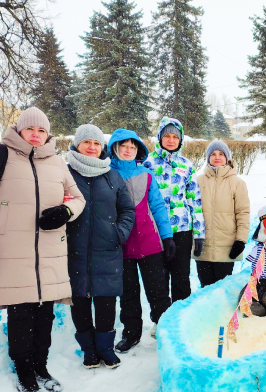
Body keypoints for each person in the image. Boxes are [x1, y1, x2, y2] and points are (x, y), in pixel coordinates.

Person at [0, 107, 86, 392]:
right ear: (18, 130)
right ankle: (24, 373)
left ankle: (40, 366)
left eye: (41, 130)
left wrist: (65, 212)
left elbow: (79, 198)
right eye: (30, 129)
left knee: (45, 313)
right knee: (21, 313)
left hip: (49, 252)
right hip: (10, 252)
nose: (35, 134)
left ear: (48, 134)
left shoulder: (57, 162)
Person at [66, 124, 135, 369]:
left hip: (108, 250)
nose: (92, 147)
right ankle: (89, 350)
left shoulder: (112, 175)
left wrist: (119, 233)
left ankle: (106, 349)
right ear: (77, 145)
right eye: (87, 142)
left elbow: (127, 209)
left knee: (106, 302)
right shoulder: (65, 174)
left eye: (96, 143)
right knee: (80, 302)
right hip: (75, 252)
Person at [108, 128, 175, 351]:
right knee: (128, 293)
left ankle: (164, 330)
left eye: (132, 147)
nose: (128, 150)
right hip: (122, 244)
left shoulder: (146, 175)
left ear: (138, 150)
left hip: (150, 242)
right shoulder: (108, 174)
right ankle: (131, 333)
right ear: (115, 148)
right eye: (124, 146)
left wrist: (166, 237)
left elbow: (157, 206)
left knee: (158, 290)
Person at [142, 117, 204, 303]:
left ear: (180, 140)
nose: (170, 140)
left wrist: (199, 233)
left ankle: (179, 318)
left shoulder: (187, 165)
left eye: (175, 137)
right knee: (158, 278)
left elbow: (195, 200)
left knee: (181, 277)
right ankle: (161, 318)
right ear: (160, 137)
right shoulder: (147, 163)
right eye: (167, 135)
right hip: (156, 230)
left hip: (182, 231)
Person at [194, 140, 250, 287]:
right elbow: (192, 212)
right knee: (205, 289)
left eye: (221, 154)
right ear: (208, 158)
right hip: (203, 248)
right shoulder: (198, 181)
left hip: (227, 248)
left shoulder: (237, 183)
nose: (217, 157)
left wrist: (241, 240)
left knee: (221, 290)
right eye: (212, 154)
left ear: (227, 157)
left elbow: (243, 213)